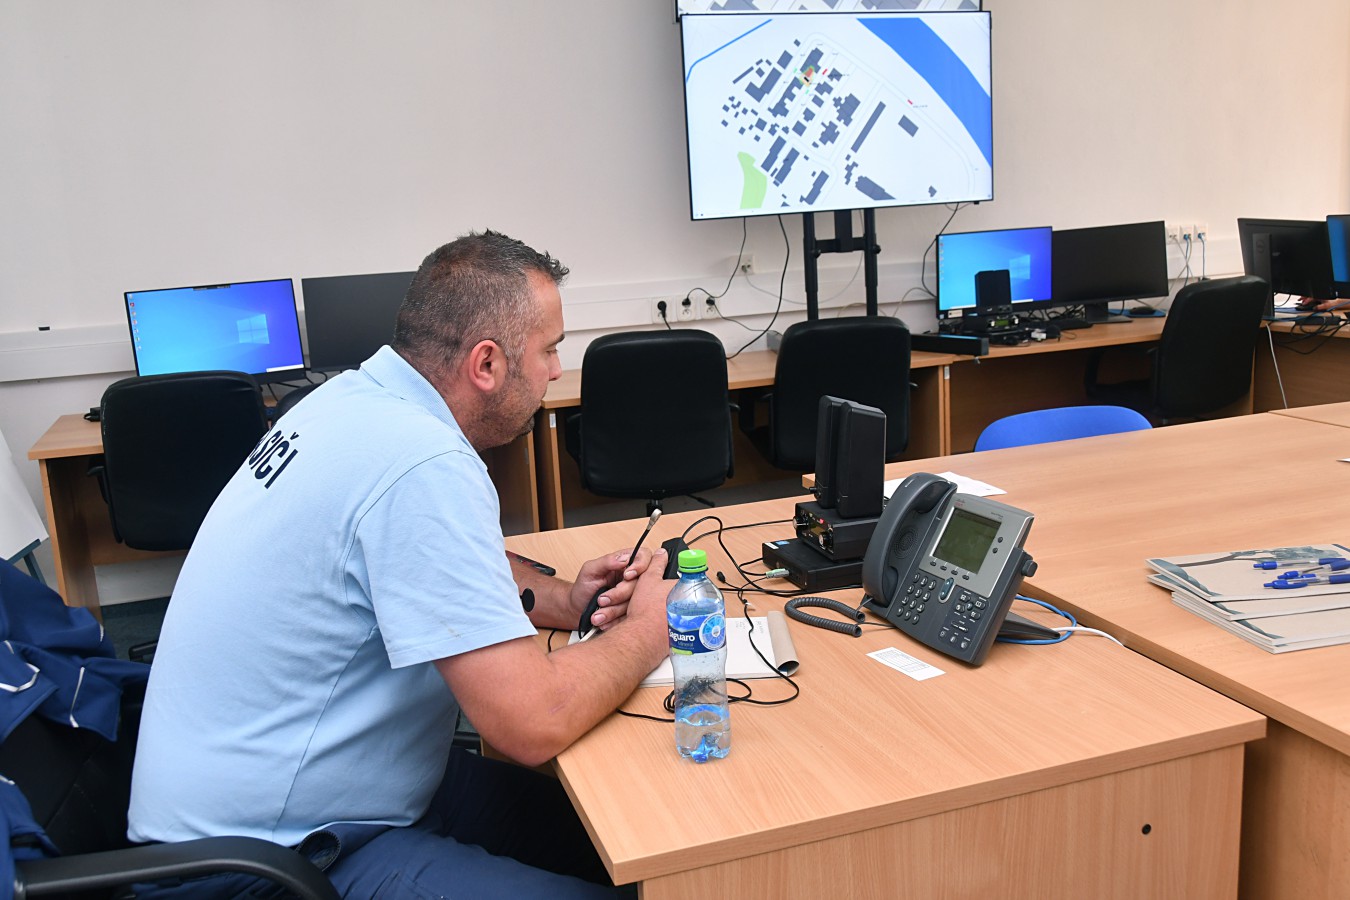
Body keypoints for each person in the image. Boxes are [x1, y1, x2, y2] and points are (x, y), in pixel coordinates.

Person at [127, 231, 670, 898]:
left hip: (334, 790)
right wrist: (651, 629)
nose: (557, 370)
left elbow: (432, 558)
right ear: (487, 363)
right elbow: (533, 722)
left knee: (642, 849)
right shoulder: (423, 462)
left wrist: (563, 600)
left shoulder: (351, 401)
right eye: (549, 349)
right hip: (264, 861)